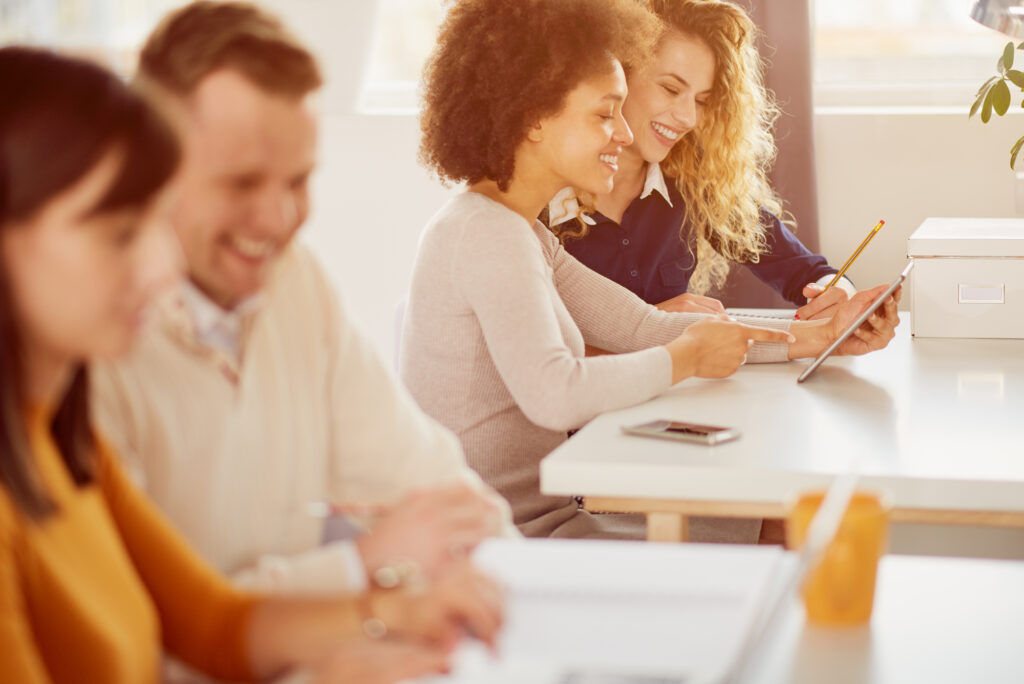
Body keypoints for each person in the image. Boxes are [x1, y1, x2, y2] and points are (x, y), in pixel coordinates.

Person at [0, 47, 501, 684]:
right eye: (118, 233)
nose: (160, 269)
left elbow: (216, 626)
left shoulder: (61, 438)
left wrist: (391, 613)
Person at [400, 0, 901, 539]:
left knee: (781, 519)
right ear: (534, 116)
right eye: (602, 113)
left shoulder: (523, 234)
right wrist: (683, 358)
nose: (620, 133)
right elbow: (556, 392)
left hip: (549, 516)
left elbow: (643, 327)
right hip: (511, 540)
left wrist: (821, 335)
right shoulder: (486, 233)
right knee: (785, 524)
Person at [90, 0, 514, 618]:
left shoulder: (296, 283)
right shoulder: (94, 339)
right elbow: (142, 624)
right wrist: (361, 567)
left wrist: (513, 585)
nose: (278, 220)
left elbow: (431, 482)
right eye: (240, 183)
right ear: (152, 168)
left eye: (297, 182)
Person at [549, 0, 854, 321]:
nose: (688, 117)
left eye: (701, 101)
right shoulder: (539, 197)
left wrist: (839, 296)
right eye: (670, 89)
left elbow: (807, 271)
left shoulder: (695, 185)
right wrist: (651, 321)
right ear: (616, 77)